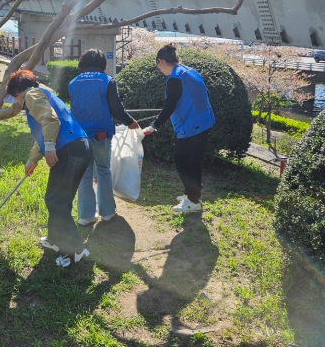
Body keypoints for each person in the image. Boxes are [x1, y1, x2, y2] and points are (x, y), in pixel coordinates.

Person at [6, 70, 92, 267]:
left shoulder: (31, 94)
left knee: (55, 201)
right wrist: (32, 160)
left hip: (68, 150)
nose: (16, 101)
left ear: (18, 91)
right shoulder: (45, 94)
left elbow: (50, 120)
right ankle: (55, 240)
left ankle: (74, 251)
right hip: (80, 148)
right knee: (61, 200)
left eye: (14, 97)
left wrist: (51, 147)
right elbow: (43, 133)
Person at [68, 49, 140, 226]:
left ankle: (85, 216)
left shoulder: (73, 82)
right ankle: (107, 212)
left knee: (84, 175)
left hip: (79, 136)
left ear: (82, 63)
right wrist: (130, 122)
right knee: (103, 171)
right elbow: (116, 108)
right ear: (102, 63)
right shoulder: (107, 81)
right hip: (101, 136)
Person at [143, 44, 215, 213]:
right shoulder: (189, 71)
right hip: (204, 121)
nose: (160, 70)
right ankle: (191, 194)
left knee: (182, 160)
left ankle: (193, 200)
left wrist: (154, 126)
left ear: (161, 61)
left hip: (192, 125)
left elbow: (170, 106)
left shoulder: (175, 79)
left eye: (158, 66)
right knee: (193, 161)